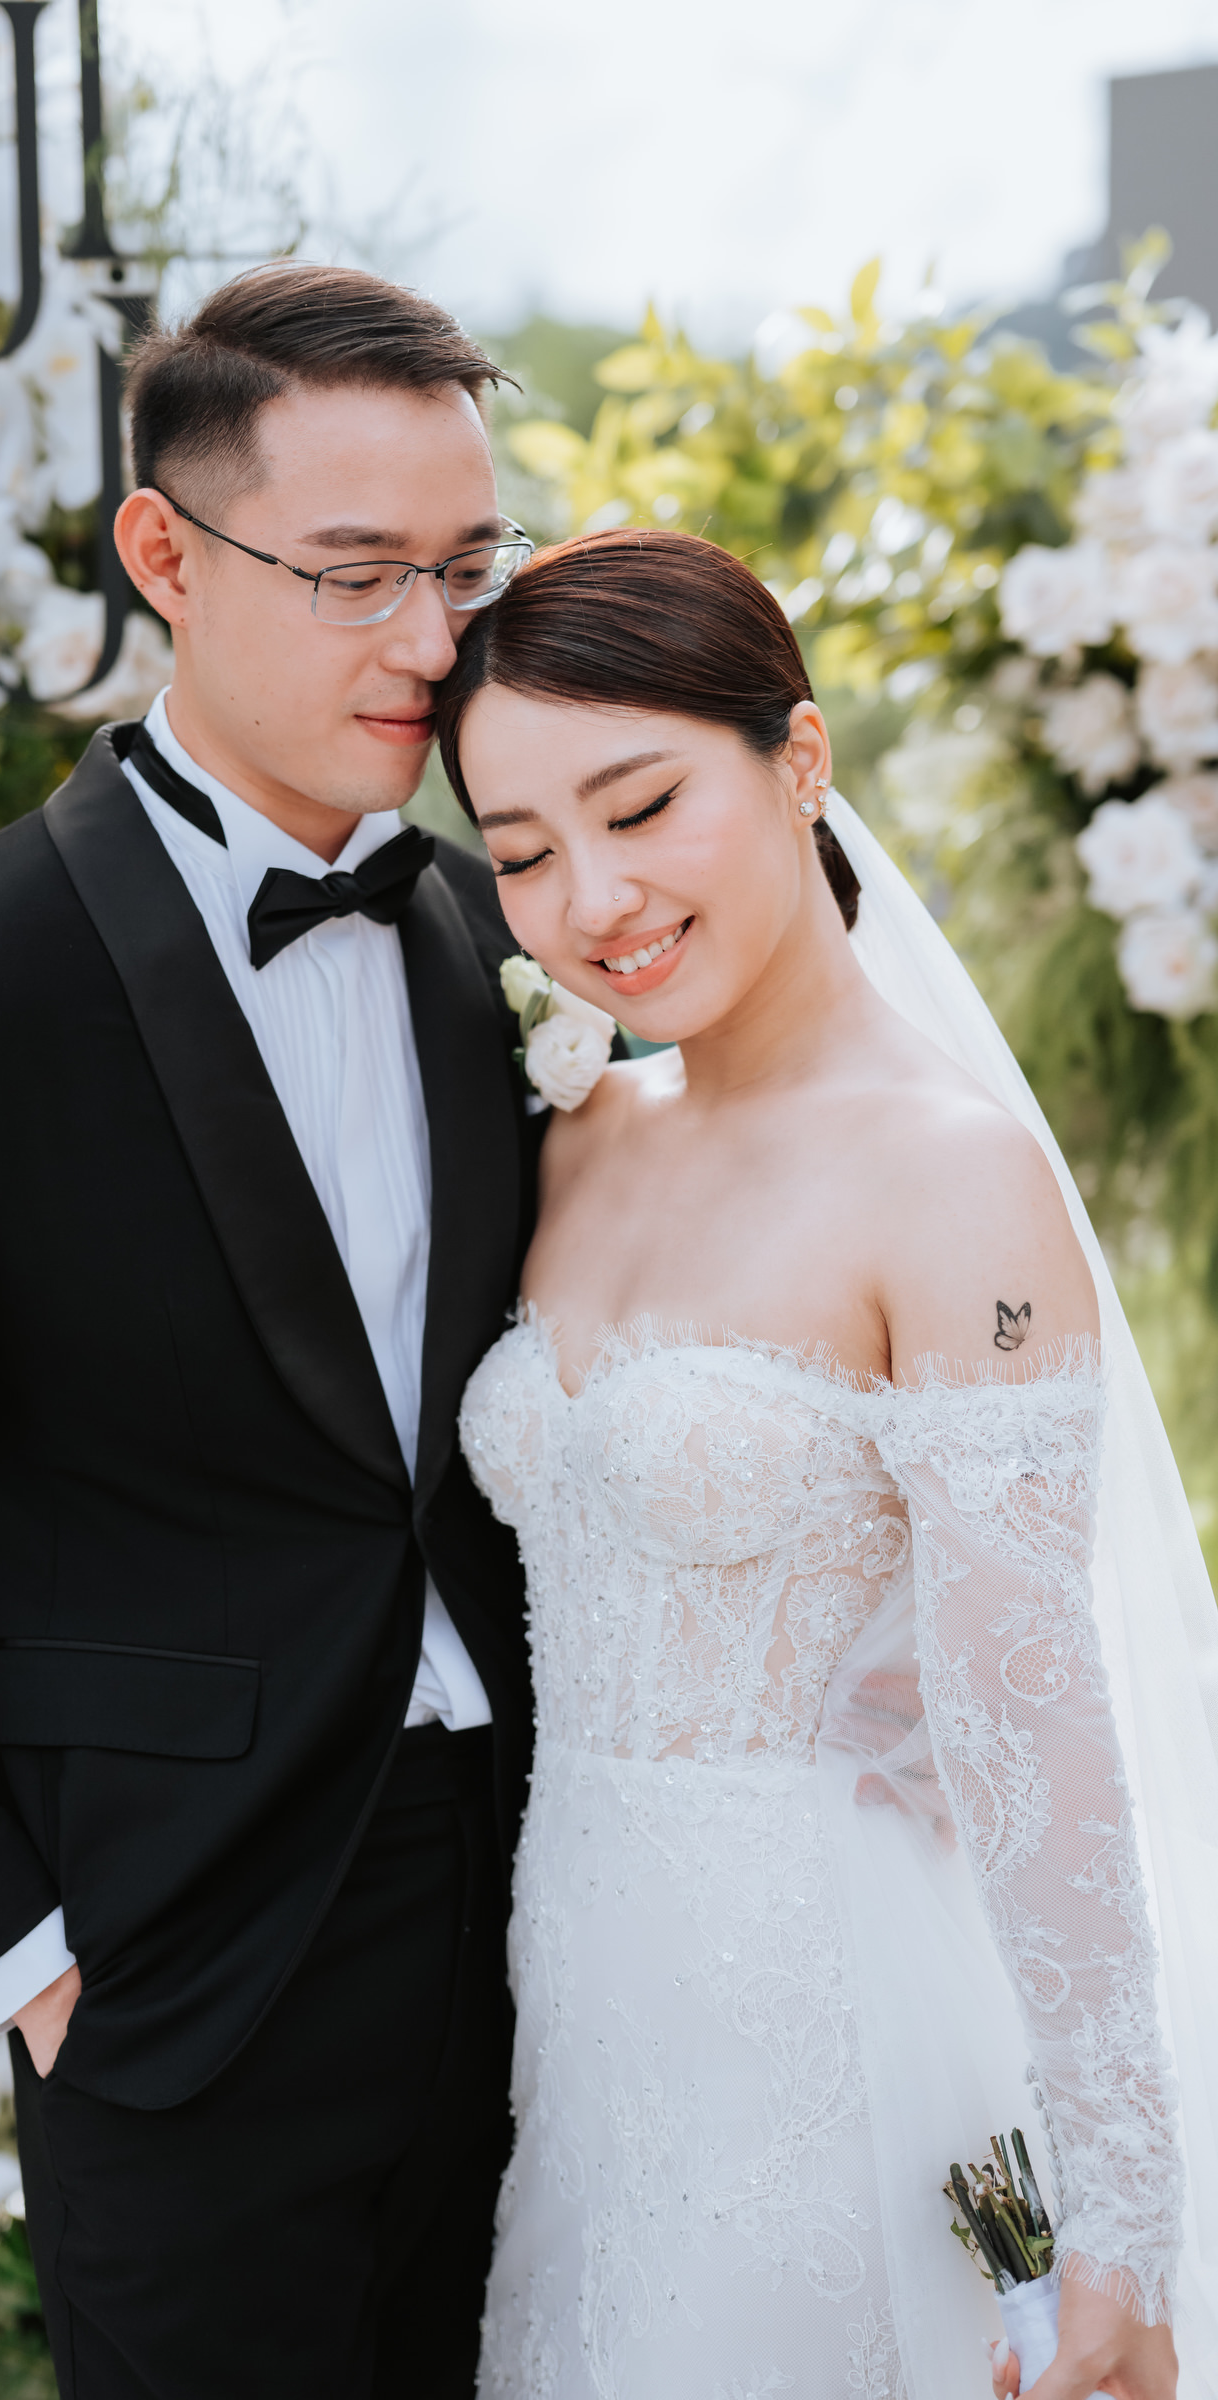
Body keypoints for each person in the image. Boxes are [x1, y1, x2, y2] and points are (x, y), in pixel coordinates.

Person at [0, 262, 546, 2399]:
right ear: (165, 553)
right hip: (178, 1981)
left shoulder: (479, 923)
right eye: (355, 574)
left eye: (464, 569)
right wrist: (20, 1959)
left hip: (541, 1929)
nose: (431, 643)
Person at [434, 529, 1218, 2400]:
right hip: (575, 1996)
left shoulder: (950, 1178)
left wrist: (1123, 2222)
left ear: (799, 758)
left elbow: (1037, 1725)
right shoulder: (580, 1136)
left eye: (642, 807)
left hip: (830, 2005)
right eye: (522, 852)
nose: (592, 897)